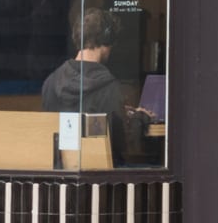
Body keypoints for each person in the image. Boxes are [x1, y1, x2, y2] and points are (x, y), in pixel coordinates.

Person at [41, 9, 149, 161]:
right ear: (106, 42)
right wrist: (139, 119)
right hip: (96, 175)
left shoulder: (51, 82)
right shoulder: (108, 87)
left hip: (60, 174)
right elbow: (119, 145)